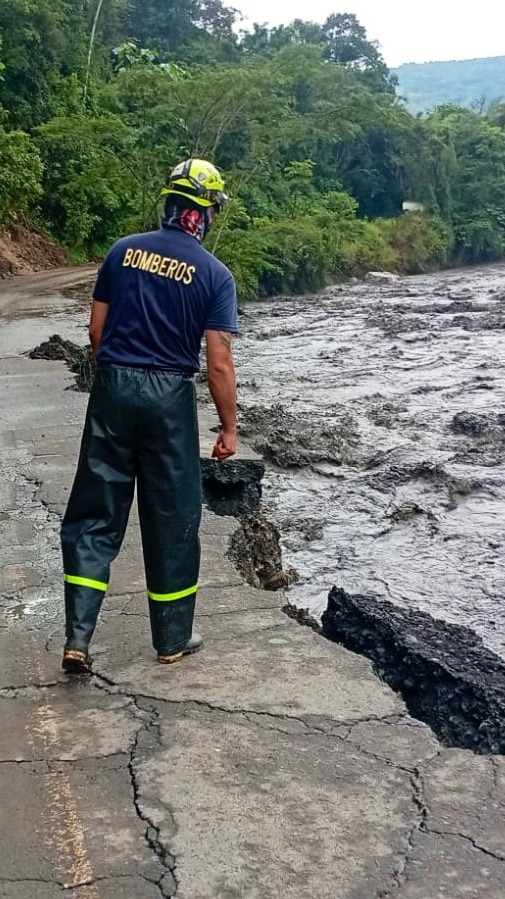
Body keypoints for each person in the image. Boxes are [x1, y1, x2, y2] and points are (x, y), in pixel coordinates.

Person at [60, 158, 238, 673]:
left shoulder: (121, 252)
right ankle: (172, 639)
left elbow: (96, 332)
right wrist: (228, 427)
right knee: (173, 516)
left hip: (114, 387)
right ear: (205, 212)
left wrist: (118, 382)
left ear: (169, 202)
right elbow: (219, 361)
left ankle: (78, 637)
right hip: (170, 399)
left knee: (95, 512)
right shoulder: (214, 275)